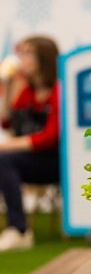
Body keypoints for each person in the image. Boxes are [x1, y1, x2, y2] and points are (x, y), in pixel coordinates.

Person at [0, 36, 60, 251]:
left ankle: (19, 230)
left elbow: (50, 137)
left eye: (27, 53)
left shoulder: (58, 90)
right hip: (31, 161)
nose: (21, 59)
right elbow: (6, 121)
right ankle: (16, 228)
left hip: (56, 163)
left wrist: (9, 145)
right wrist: (6, 86)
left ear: (43, 58)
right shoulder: (27, 90)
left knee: (4, 159)